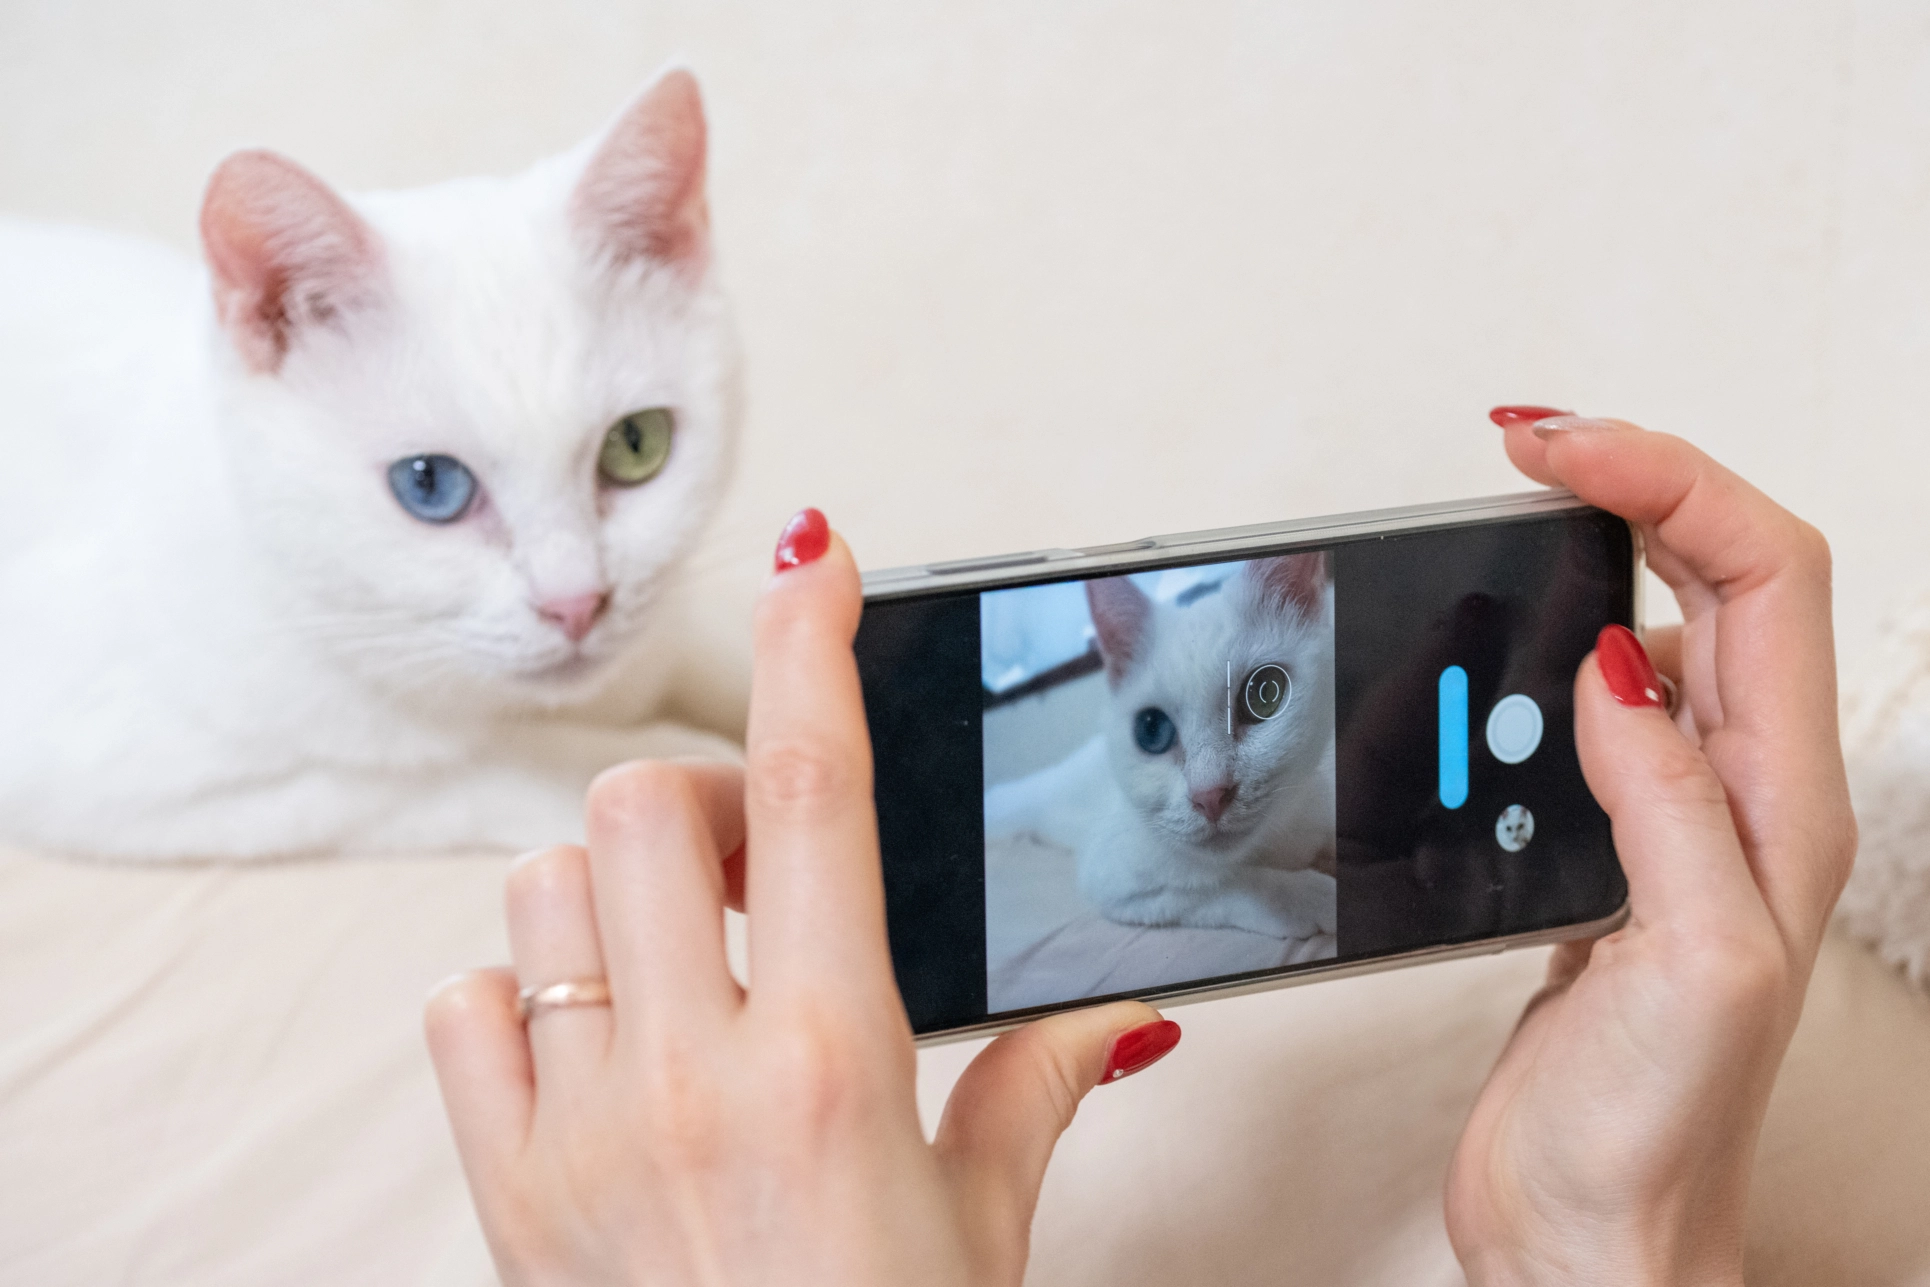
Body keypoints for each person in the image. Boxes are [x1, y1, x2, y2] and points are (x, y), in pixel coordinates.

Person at [424, 412, 1856, 1286]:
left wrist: (1594, 1242)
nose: (1210, 781)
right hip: (1064, 800)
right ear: (1119, 684)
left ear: (1303, 619)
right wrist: (1607, 1250)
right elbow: (1124, 870)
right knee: (1039, 809)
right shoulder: (1152, 772)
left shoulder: (1302, 727)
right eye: (1162, 728)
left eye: (1259, 695)